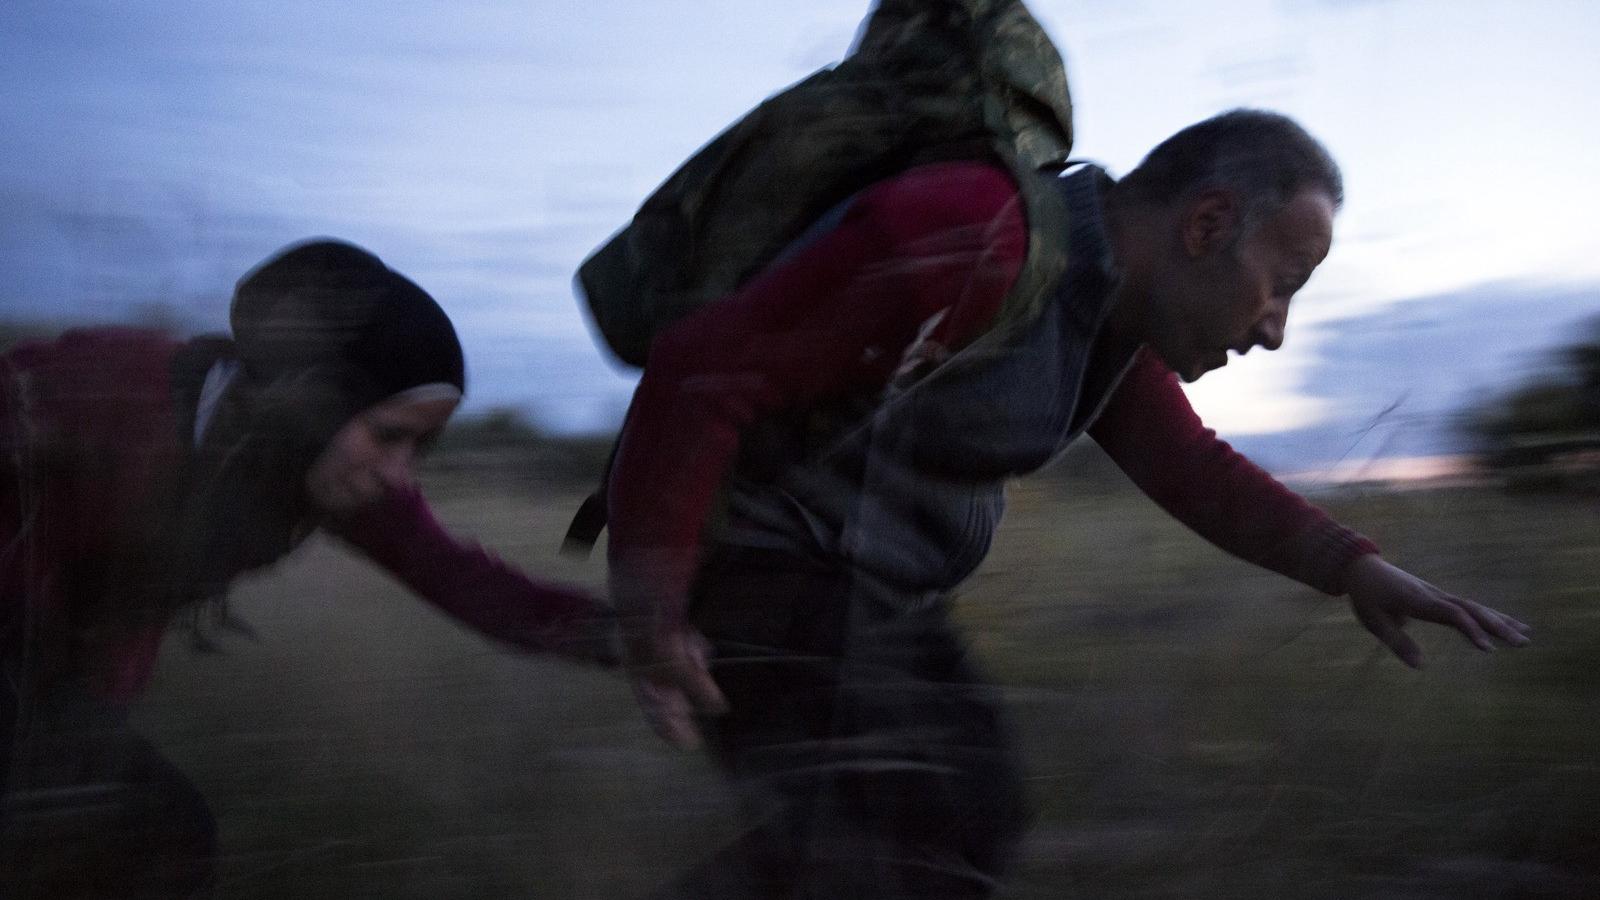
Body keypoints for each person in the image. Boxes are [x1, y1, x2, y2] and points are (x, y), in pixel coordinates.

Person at [606, 110, 1532, 898]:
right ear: (1207, 225)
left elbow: (1190, 466)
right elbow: (703, 365)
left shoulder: (1107, 321)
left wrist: (1350, 565)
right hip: (764, 568)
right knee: (931, 824)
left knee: (915, 838)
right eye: (1281, 285)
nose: (1276, 329)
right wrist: (651, 597)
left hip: (872, 596)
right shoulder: (981, 236)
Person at [0, 239, 614, 897]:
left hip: (74, 690)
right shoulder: (111, 393)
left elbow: (465, 582)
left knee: (144, 846)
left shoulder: (321, 471)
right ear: (313, 399)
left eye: (421, 445)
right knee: (149, 837)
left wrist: (632, 635)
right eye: (389, 433)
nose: (398, 472)